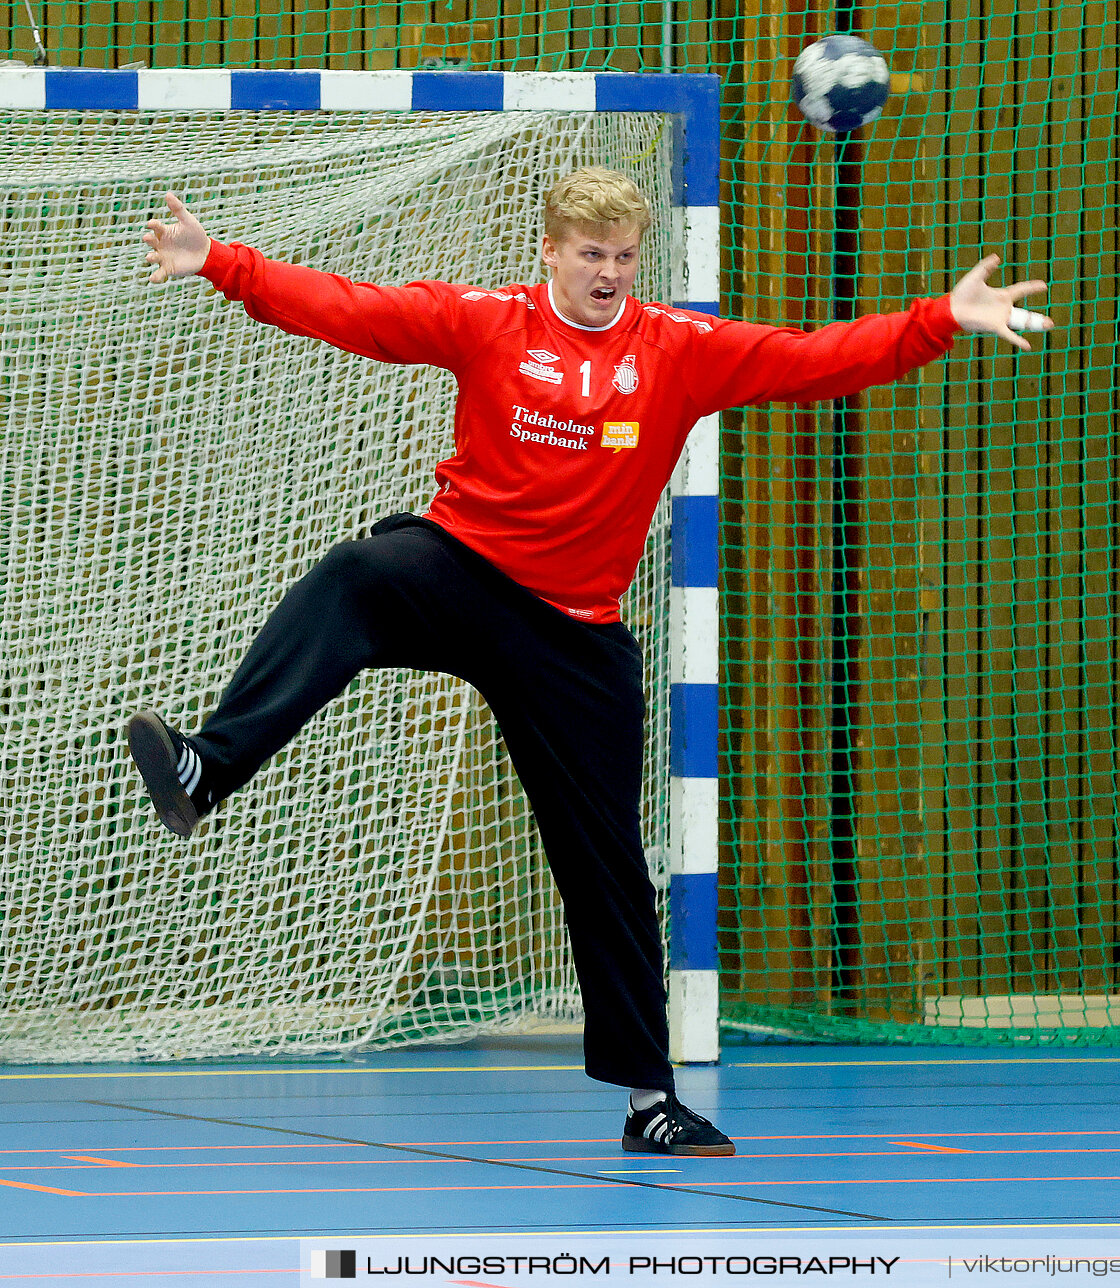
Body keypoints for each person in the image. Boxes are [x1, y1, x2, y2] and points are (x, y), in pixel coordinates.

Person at [127, 167, 1054, 1158]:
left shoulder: (679, 351)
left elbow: (814, 358)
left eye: (622, 256)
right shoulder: (489, 323)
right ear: (551, 252)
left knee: (607, 864)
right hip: (463, 571)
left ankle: (650, 1101)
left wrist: (939, 319)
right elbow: (351, 309)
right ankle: (208, 766)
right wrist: (218, 261)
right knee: (357, 574)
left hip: (573, 630)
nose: (608, 273)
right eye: (590, 255)